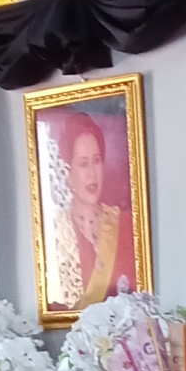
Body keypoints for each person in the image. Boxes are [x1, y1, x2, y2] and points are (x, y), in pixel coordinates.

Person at [49, 112, 137, 311]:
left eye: (97, 160)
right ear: (68, 173)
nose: (92, 173)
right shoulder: (57, 232)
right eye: (83, 163)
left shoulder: (125, 224)